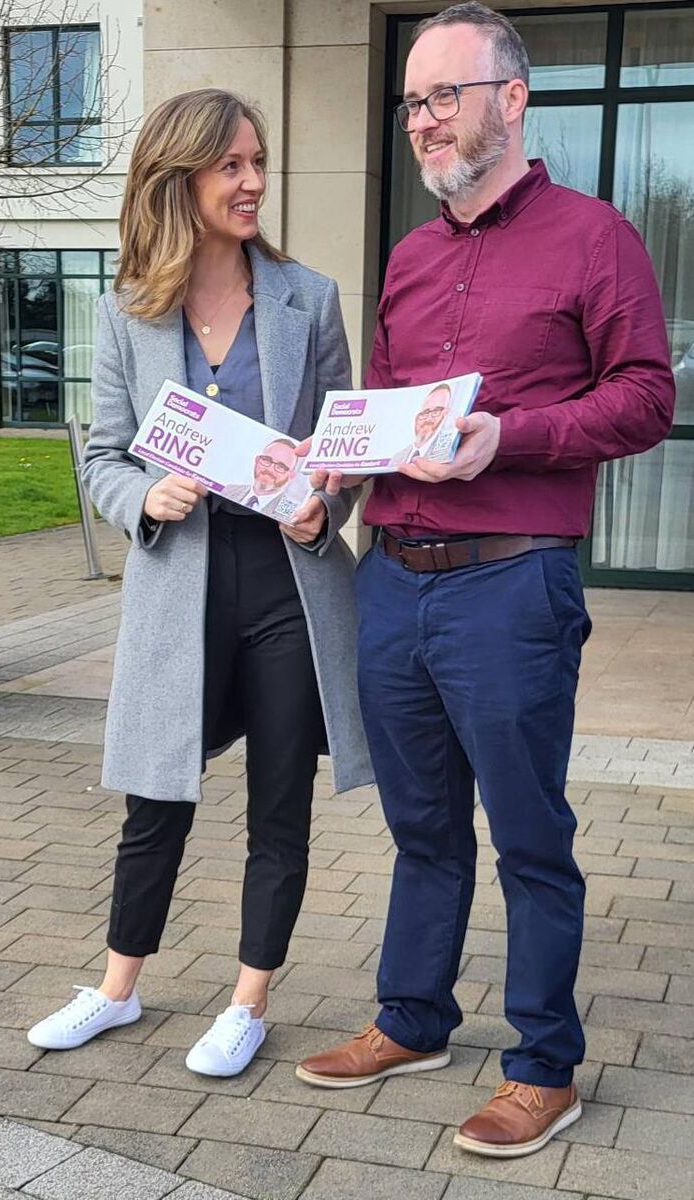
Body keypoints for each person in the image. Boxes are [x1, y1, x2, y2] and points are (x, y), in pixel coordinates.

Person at [296, 2, 674, 1158]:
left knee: (528, 834)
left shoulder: (595, 238)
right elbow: (380, 421)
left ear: (512, 99)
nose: (422, 120)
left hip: (512, 587)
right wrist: (331, 484)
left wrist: (508, 437)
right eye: (412, 101)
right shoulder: (408, 261)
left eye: (442, 95)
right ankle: (411, 1018)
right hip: (395, 580)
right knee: (420, 827)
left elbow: (647, 396)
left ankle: (542, 1063)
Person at [26, 88, 372, 1077]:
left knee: (278, 804)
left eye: (258, 161)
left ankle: (248, 1002)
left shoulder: (310, 299)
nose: (255, 181)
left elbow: (343, 450)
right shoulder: (127, 311)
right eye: (232, 166)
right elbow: (100, 459)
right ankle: (117, 989)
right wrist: (147, 495)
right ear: (180, 180)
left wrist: (326, 502)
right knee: (156, 798)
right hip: (181, 584)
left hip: (289, 587)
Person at [223, 437, 301, 516]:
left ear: (291, 475)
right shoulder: (229, 490)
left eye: (281, 467)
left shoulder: (292, 513)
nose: (270, 469)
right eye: (266, 460)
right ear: (257, 460)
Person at [389, 383, 452, 467]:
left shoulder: (447, 454)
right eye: (425, 412)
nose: (428, 419)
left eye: (436, 412)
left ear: (446, 414)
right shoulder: (397, 458)